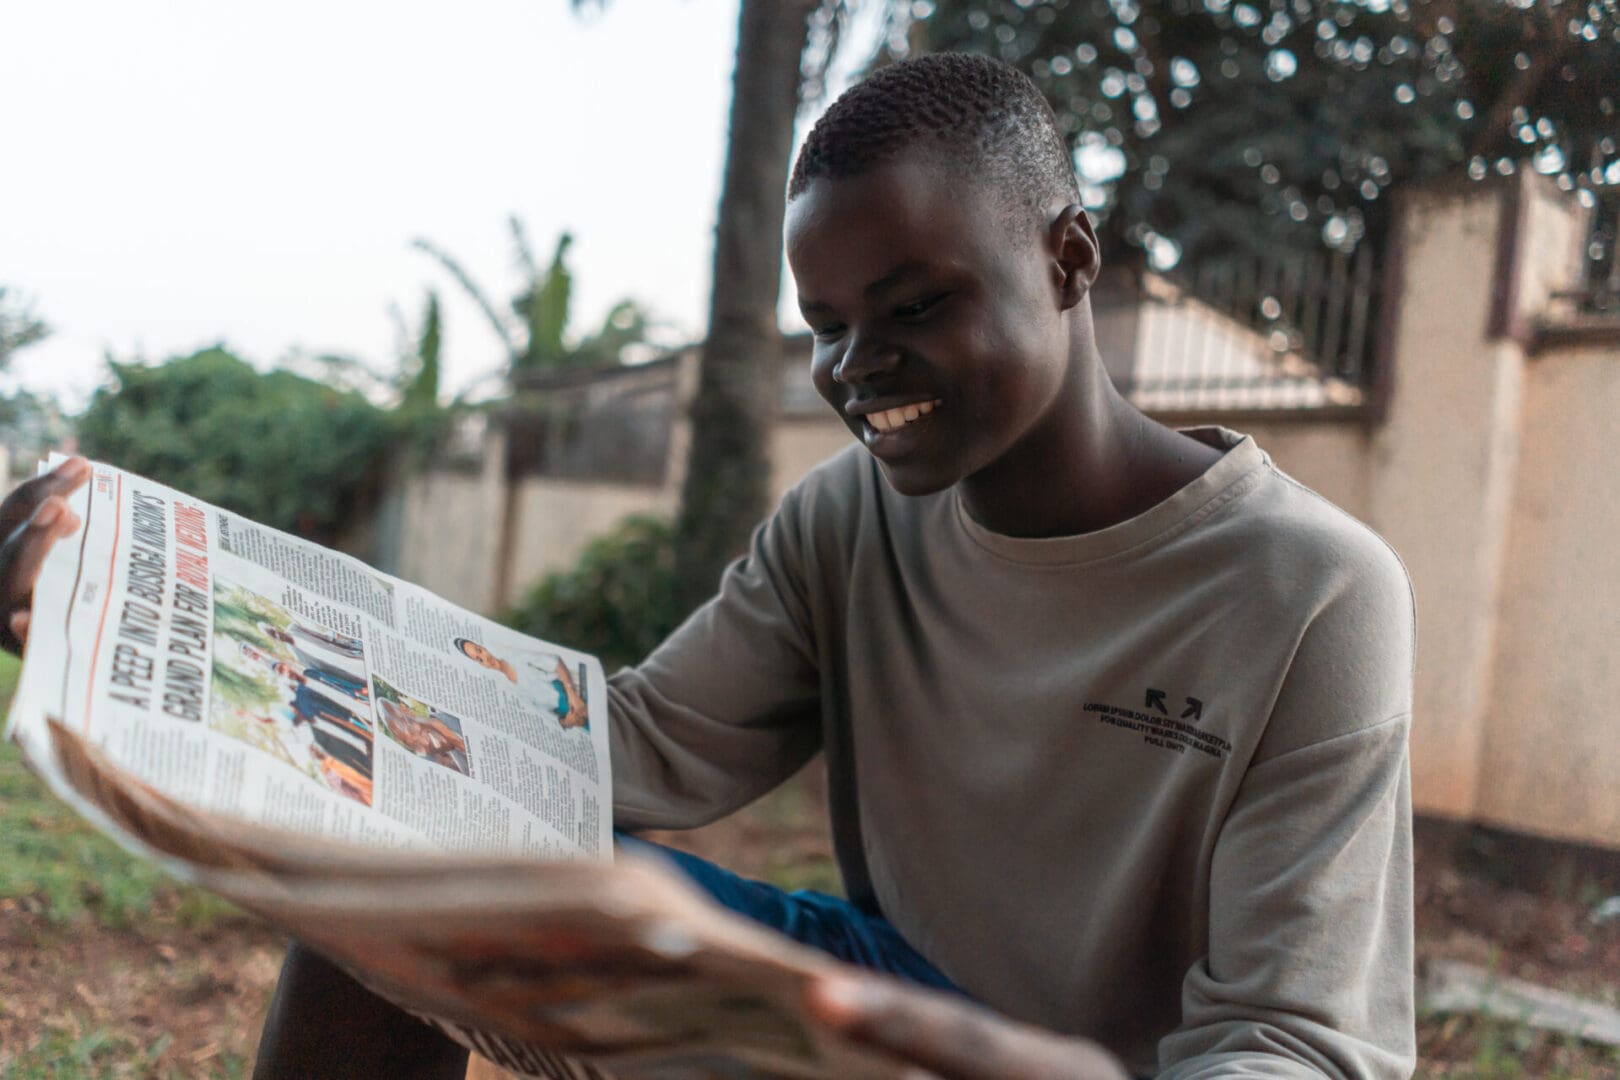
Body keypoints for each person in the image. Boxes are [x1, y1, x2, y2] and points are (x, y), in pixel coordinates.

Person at [0, 53, 1414, 1080]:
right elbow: (619, 752)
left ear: (1068, 258)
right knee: (413, 888)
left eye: (916, 305)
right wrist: (127, 612)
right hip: (868, 1012)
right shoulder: (847, 519)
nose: (863, 371)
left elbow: (1296, 1039)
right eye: (828, 326)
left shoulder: (1310, 591)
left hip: (1132, 1070)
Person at [454, 637, 589, 731]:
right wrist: (567, 722)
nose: (486, 658)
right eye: (479, 660)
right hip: (570, 717)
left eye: (479, 650)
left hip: (575, 694)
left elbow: (555, 662)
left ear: (483, 647)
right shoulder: (509, 690)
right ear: (481, 665)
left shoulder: (515, 658)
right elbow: (544, 718)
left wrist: (572, 695)